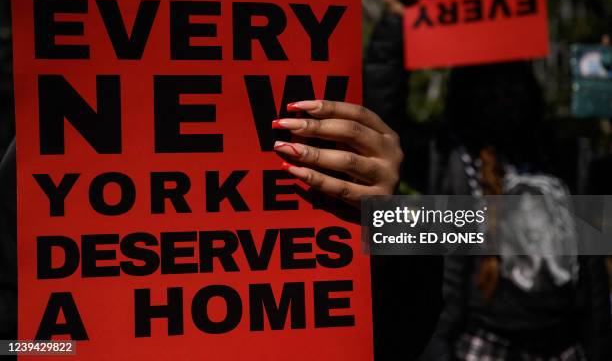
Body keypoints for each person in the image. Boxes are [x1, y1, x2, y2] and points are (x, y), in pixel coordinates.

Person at [0, 99, 443, 360]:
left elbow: (402, 334)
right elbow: (14, 342)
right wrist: (78, 344)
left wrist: (392, 216)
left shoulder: (316, 131)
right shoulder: (47, 151)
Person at [364, 0, 612, 361]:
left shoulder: (569, 160)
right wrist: (394, 22)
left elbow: (596, 268)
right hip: (478, 347)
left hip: (568, 348)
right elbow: (383, 120)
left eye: (511, 84)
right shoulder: (446, 160)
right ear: (465, 96)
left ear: (529, 90)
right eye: (486, 87)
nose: (502, 98)